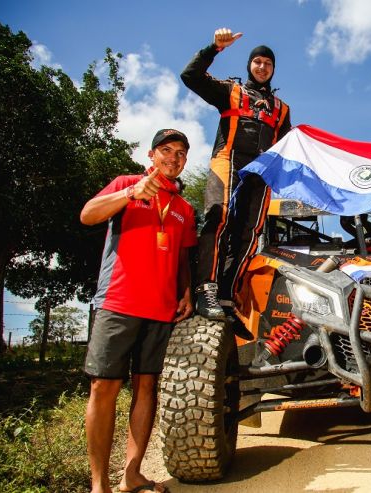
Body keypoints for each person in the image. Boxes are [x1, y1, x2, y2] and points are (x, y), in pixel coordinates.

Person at [80, 129, 197, 493]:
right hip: (118, 302)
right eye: (166, 151)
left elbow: (182, 256)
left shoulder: (184, 208)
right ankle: (98, 484)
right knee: (104, 386)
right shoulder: (127, 183)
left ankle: (131, 475)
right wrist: (130, 193)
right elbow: (87, 215)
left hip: (161, 309)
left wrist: (187, 291)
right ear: (151, 155)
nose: (174, 158)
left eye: (180, 153)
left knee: (146, 388)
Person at [181, 27, 291, 319]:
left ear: (273, 69)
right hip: (227, 161)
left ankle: (229, 292)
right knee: (218, 218)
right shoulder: (231, 91)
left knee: (251, 233)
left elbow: (290, 146)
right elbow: (189, 76)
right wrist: (214, 48)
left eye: (268, 63)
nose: (262, 67)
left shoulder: (281, 109)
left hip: (261, 172)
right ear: (250, 65)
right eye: (258, 61)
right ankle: (206, 289)